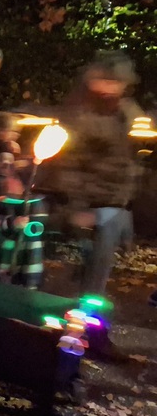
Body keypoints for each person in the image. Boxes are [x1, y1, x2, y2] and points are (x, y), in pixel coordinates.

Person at [57, 50, 143, 295]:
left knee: (104, 254)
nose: (109, 87)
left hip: (118, 200)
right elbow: (69, 163)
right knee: (97, 253)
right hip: (90, 201)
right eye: (104, 80)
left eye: (116, 82)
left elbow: (134, 159)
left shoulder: (129, 112)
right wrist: (77, 207)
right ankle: (86, 298)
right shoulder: (80, 114)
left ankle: (90, 292)